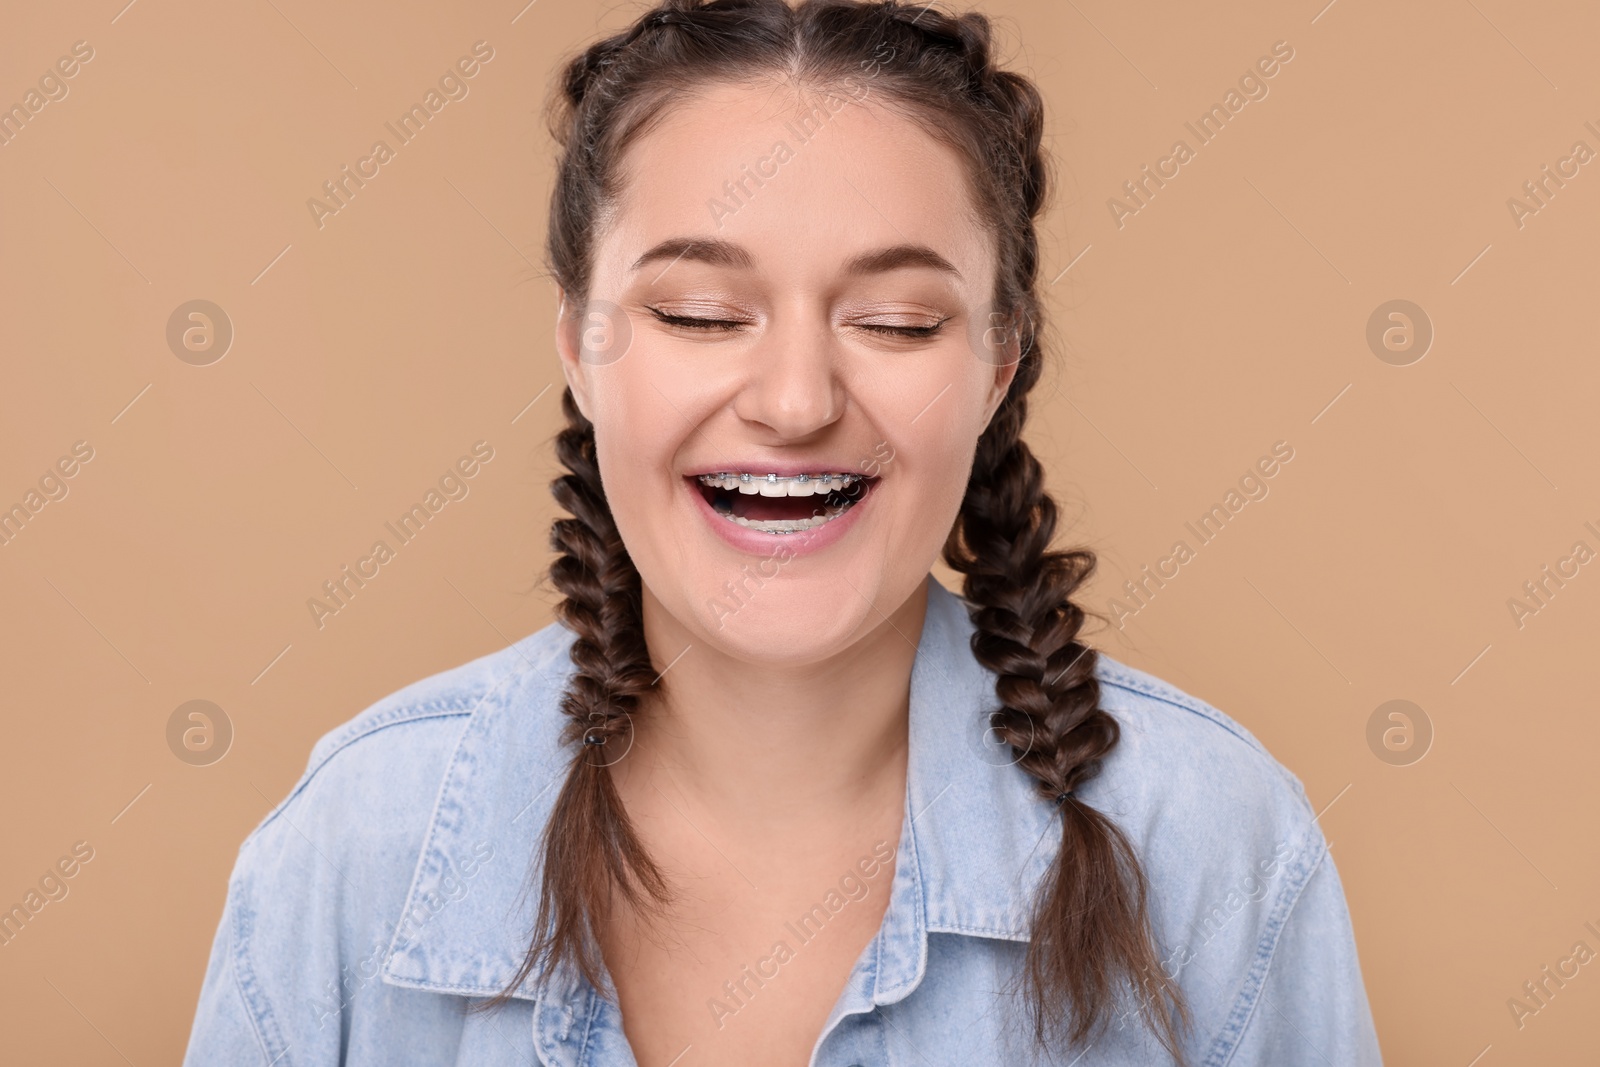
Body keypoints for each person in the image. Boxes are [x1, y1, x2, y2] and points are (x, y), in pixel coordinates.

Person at [182, 1, 1382, 1064]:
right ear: (580, 345)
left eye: (899, 322)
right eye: (701, 312)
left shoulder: (1214, 846)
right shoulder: (352, 848)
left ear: (997, 363)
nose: (796, 401)